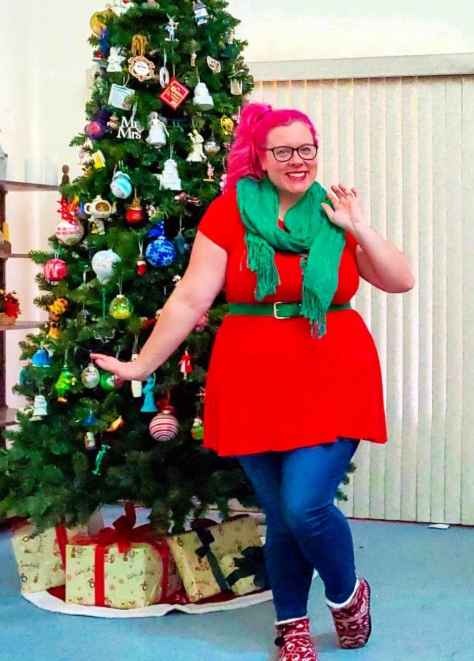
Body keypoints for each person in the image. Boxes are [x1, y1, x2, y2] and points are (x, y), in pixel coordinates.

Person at [90, 102, 414, 661]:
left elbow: (400, 279)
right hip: (252, 376)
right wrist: (142, 365)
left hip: (332, 370)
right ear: (260, 158)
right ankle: (291, 624)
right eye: (282, 150)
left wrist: (357, 226)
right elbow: (193, 296)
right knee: (280, 512)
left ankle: (345, 595)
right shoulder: (229, 212)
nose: (297, 160)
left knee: (306, 504)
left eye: (306, 148)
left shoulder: (333, 212)